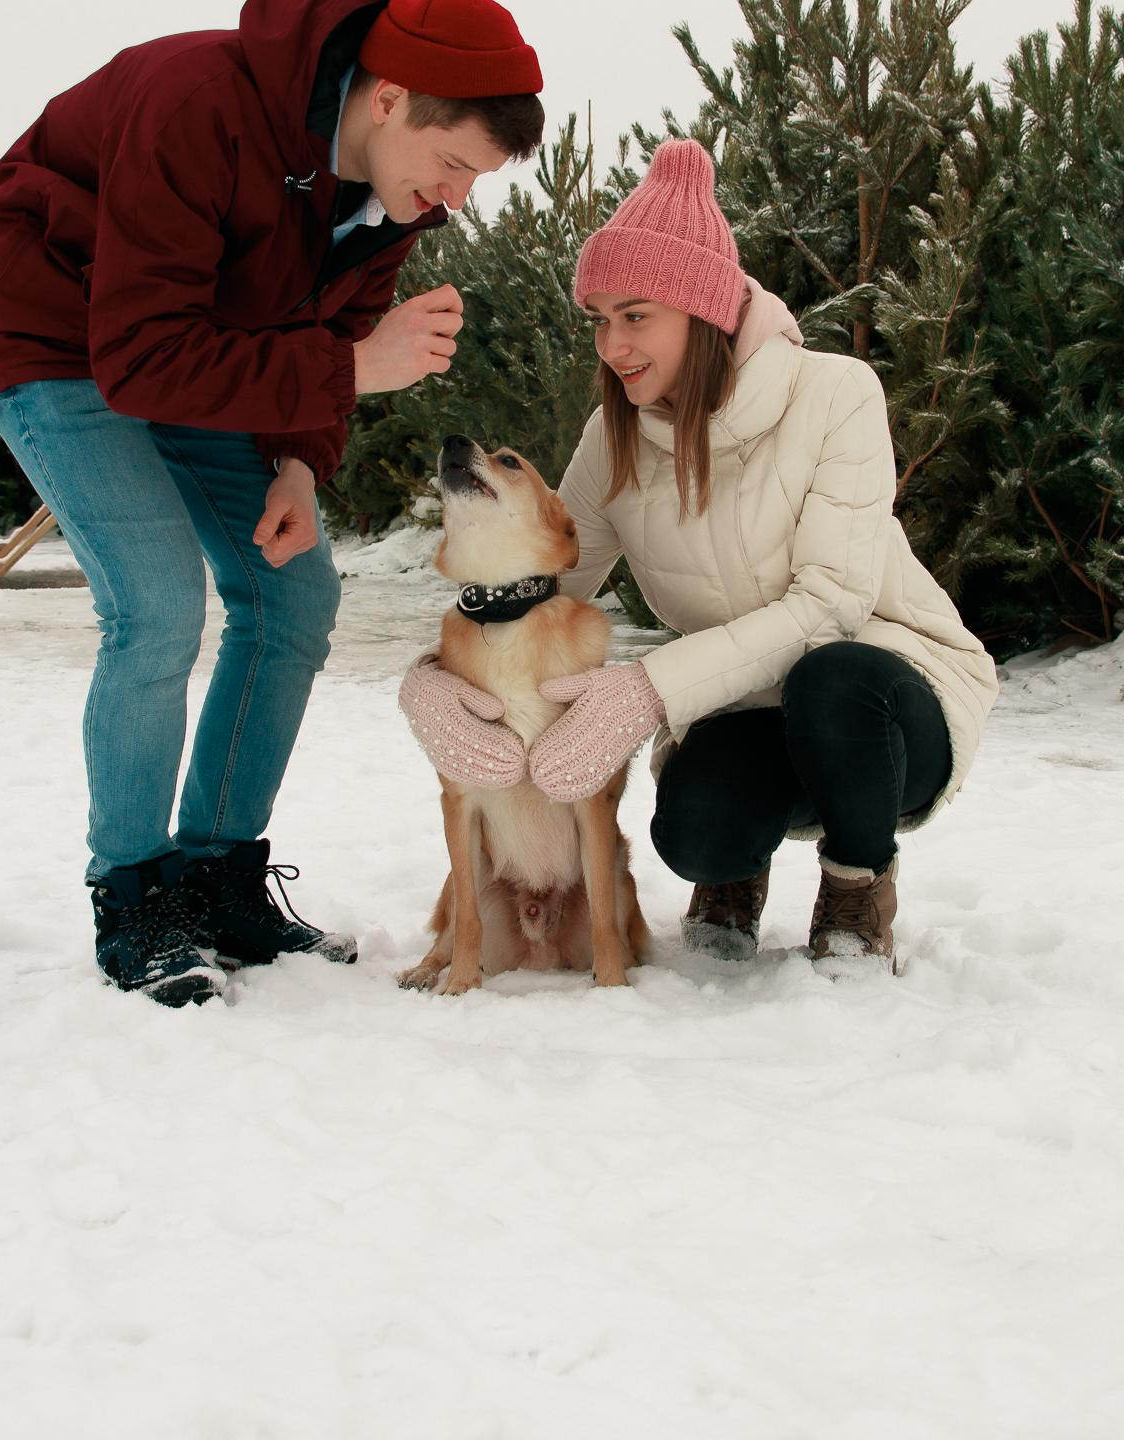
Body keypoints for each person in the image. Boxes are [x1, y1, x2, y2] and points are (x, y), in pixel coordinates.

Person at [0, 0, 544, 1006]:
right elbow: (138, 356)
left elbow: (317, 330)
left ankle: (219, 876)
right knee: (156, 602)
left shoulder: (391, 200)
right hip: (57, 335)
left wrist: (300, 463)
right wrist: (354, 370)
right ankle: (134, 896)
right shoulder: (198, 105)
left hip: (200, 347)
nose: (454, 199)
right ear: (390, 98)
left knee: (291, 593)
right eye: (451, 162)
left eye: (472, 182)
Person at [400, 139, 997, 975]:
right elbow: (536, 584)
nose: (612, 344)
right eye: (600, 320)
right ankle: (734, 875)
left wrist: (648, 690)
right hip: (741, 705)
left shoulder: (836, 394)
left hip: (889, 692)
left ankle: (857, 883)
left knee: (836, 677)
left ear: (705, 312)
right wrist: (433, 677)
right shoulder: (613, 441)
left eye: (636, 315)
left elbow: (831, 604)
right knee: (694, 832)